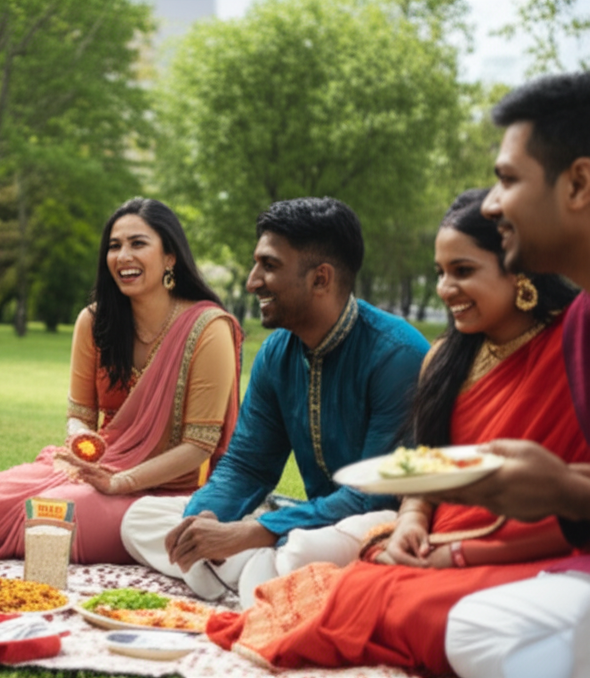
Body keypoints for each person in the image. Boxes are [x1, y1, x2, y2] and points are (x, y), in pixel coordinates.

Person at [203, 189, 588, 675]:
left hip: (533, 549)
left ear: (520, 269)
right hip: (431, 543)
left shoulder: (568, 348)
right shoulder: (446, 360)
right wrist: (410, 524)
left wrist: (454, 551)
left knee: (441, 619)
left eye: (463, 271)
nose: (446, 289)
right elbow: (423, 477)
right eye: (441, 273)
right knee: (354, 592)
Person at [121, 196, 429, 603]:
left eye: (269, 266)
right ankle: (261, 582)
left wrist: (249, 533)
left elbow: (373, 495)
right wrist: (206, 517)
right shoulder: (276, 353)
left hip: (375, 524)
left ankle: (247, 576)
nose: (252, 281)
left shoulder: (397, 354)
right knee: (140, 519)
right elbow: (247, 464)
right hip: (305, 520)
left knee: (307, 548)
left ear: (321, 279)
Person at [0, 197, 243, 564]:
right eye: (114, 245)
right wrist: (83, 449)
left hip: (165, 488)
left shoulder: (208, 328)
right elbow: (79, 415)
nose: (123, 256)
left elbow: (198, 447)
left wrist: (119, 482)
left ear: (170, 256)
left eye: (138, 243)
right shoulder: (94, 322)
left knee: (59, 514)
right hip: (99, 469)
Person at [425, 72, 590, 678]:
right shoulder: (583, 324)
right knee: (478, 630)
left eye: (508, 180)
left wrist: (563, 491)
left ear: (578, 182)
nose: (491, 205)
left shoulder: (563, 331)